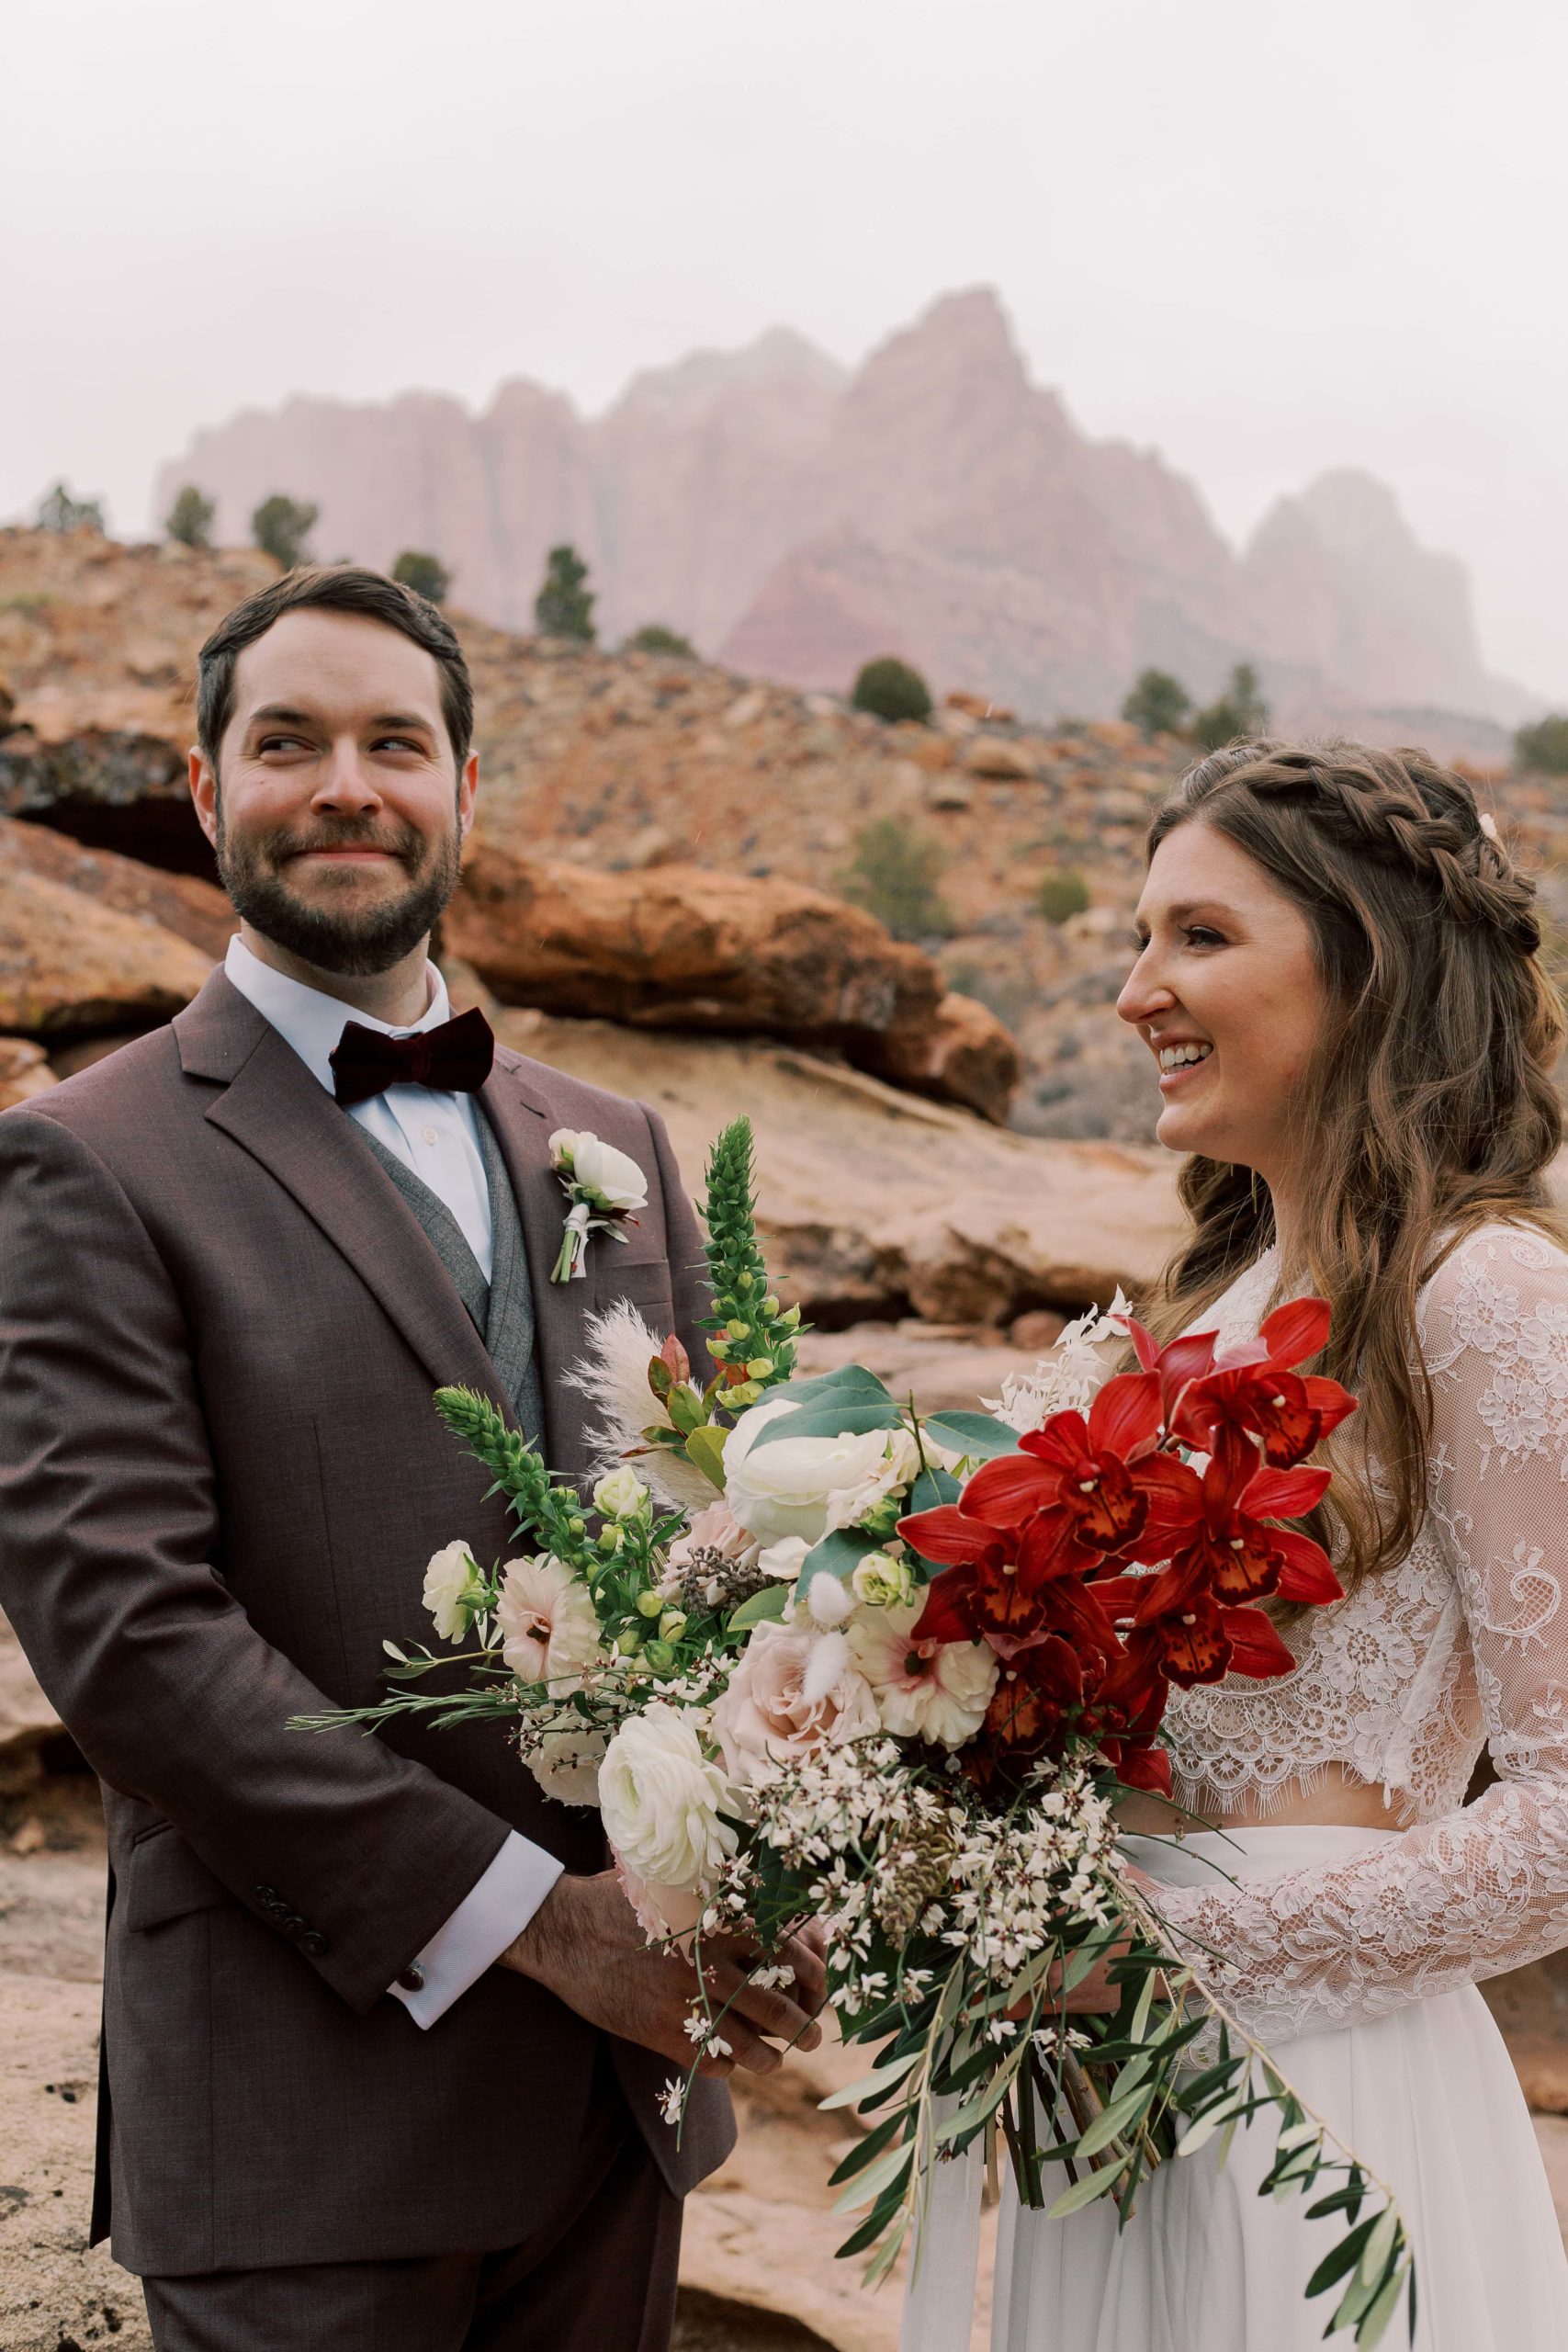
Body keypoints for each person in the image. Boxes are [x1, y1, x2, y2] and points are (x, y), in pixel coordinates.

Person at [0, 565, 825, 2351]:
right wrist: (541, 1920)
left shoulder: (614, 1147)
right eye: (286, 742)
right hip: (308, 2111)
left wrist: (780, 1842)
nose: (346, 785)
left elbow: (729, 1551)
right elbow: (131, 1639)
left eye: (397, 740)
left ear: (467, 789)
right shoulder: (87, 1160)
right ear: (209, 793)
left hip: (616, 2111)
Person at [975, 741, 1568, 2350]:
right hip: (1114, 2122)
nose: (1132, 991)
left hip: (1334, 2117)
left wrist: (1166, 1956)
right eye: (1137, 936)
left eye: (1200, 937)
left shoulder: (1487, 1300)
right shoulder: (1192, 1329)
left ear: (1364, 964)